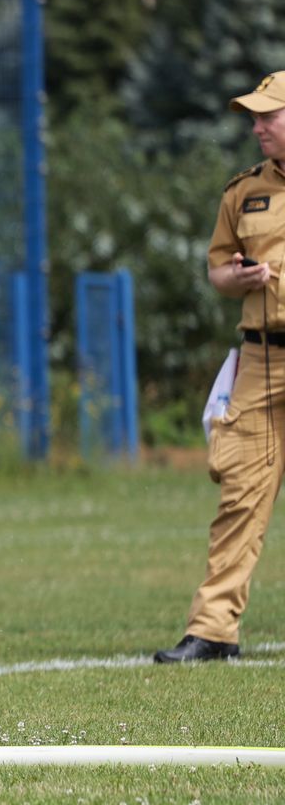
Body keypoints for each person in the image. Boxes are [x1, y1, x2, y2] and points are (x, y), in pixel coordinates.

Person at [155, 70, 285, 664]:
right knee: (240, 495)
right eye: (254, 117)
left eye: (268, 115)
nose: (256, 126)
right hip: (260, 359)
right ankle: (213, 631)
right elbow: (217, 271)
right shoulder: (243, 192)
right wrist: (236, 277)